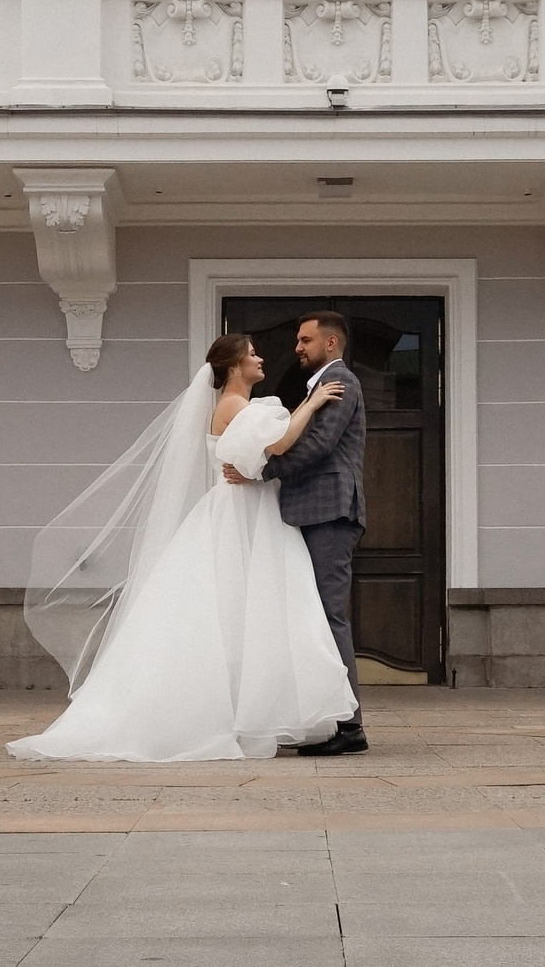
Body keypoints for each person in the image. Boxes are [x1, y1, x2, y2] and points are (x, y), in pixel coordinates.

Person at [9, 333, 357, 762]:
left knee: (245, 615)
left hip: (249, 509)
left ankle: (249, 713)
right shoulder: (233, 405)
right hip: (241, 514)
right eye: (252, 354)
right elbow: (281, 444)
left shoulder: (237, 406)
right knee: (237, 610)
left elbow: (267, 453)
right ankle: (232, 714)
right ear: (233, 366)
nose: (261, 358)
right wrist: (313, 403)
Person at [222, 311, 368, 756]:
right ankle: (322, 717)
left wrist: (262, 471)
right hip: (308, 513)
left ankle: (350, 725)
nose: (297, 347)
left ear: (330, 343)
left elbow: (318, 446)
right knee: (310, 617)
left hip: (328, 512)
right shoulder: (318, 387)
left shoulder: (341, 382)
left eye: (305, 340)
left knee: (328, 616)